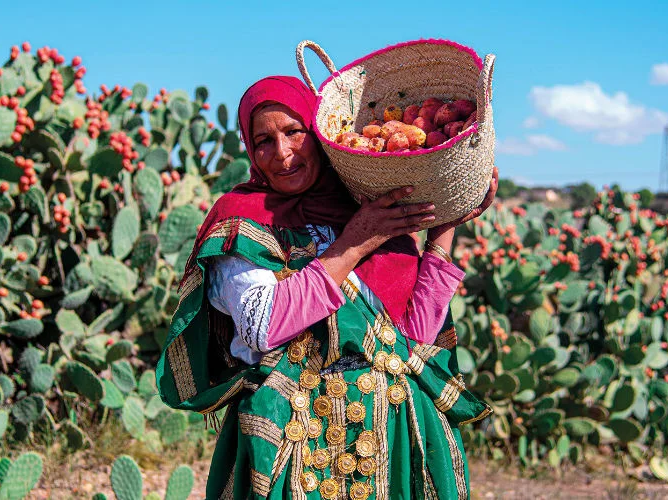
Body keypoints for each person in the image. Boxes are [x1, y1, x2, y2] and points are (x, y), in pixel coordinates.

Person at [157, 75, 498, 500]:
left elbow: (416, 337)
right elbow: (264, 325)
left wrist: (445, 223)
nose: (281, 154)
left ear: (317, 134)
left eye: (293, 132)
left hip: (392, 430)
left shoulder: (369, 208)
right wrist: (355, 244)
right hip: (298, 435)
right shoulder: (244, 219)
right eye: (262, 140)